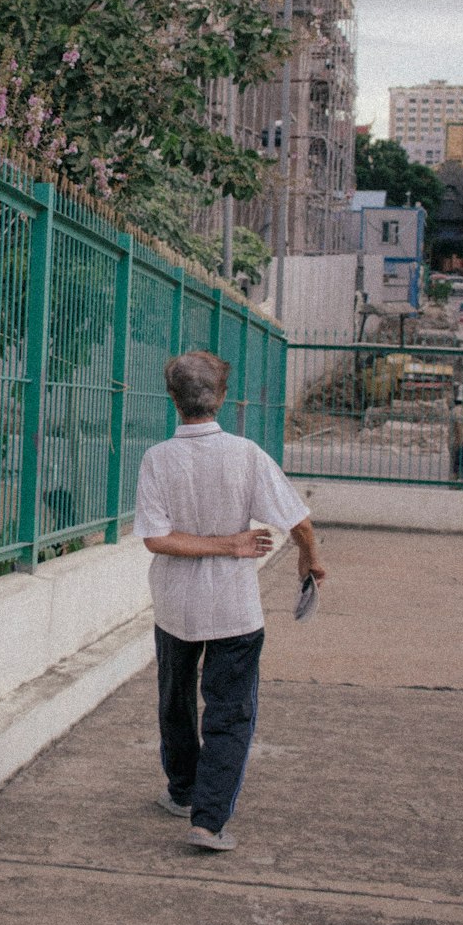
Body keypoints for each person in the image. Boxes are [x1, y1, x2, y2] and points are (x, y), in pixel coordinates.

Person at [133, 350, 326, 853]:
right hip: (234, 611)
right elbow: (299, 521)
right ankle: (208, 820)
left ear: (172, 399)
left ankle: (181, 793)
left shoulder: (157, 458)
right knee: (230, 713)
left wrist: (218, 543)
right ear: (221, 398)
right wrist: (309, 559)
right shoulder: (245, 453)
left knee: (174, 701)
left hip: (175, 607)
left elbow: (156, 538)